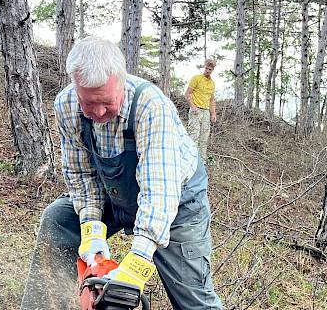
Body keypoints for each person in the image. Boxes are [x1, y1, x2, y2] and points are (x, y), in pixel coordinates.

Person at [20, 37, 222, 310]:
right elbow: (81, 176)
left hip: (176, 201)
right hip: (113, 193)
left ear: (121, 81)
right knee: (58, 219)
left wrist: (135, 265)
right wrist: (91, 230)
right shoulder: (66, 105)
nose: (98, 112)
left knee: (193, 299)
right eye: (88, 103)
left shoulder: (150, 106)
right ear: (76, 87)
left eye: (106, 102)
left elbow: (159, 194)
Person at [184, 59, 217, 163]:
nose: (207, 70)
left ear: (212, 70)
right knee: (194, 134)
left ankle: (202, 160)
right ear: (204, 67)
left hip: (206, 112)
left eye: (210, 69)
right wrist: (192, 106)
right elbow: (187, 94)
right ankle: (190, 160)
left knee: (204, 136)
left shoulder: (212, 83)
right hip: (196, 110)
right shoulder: (196, 78)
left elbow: (211, 100)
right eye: (206, 68)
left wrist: (213, 113)